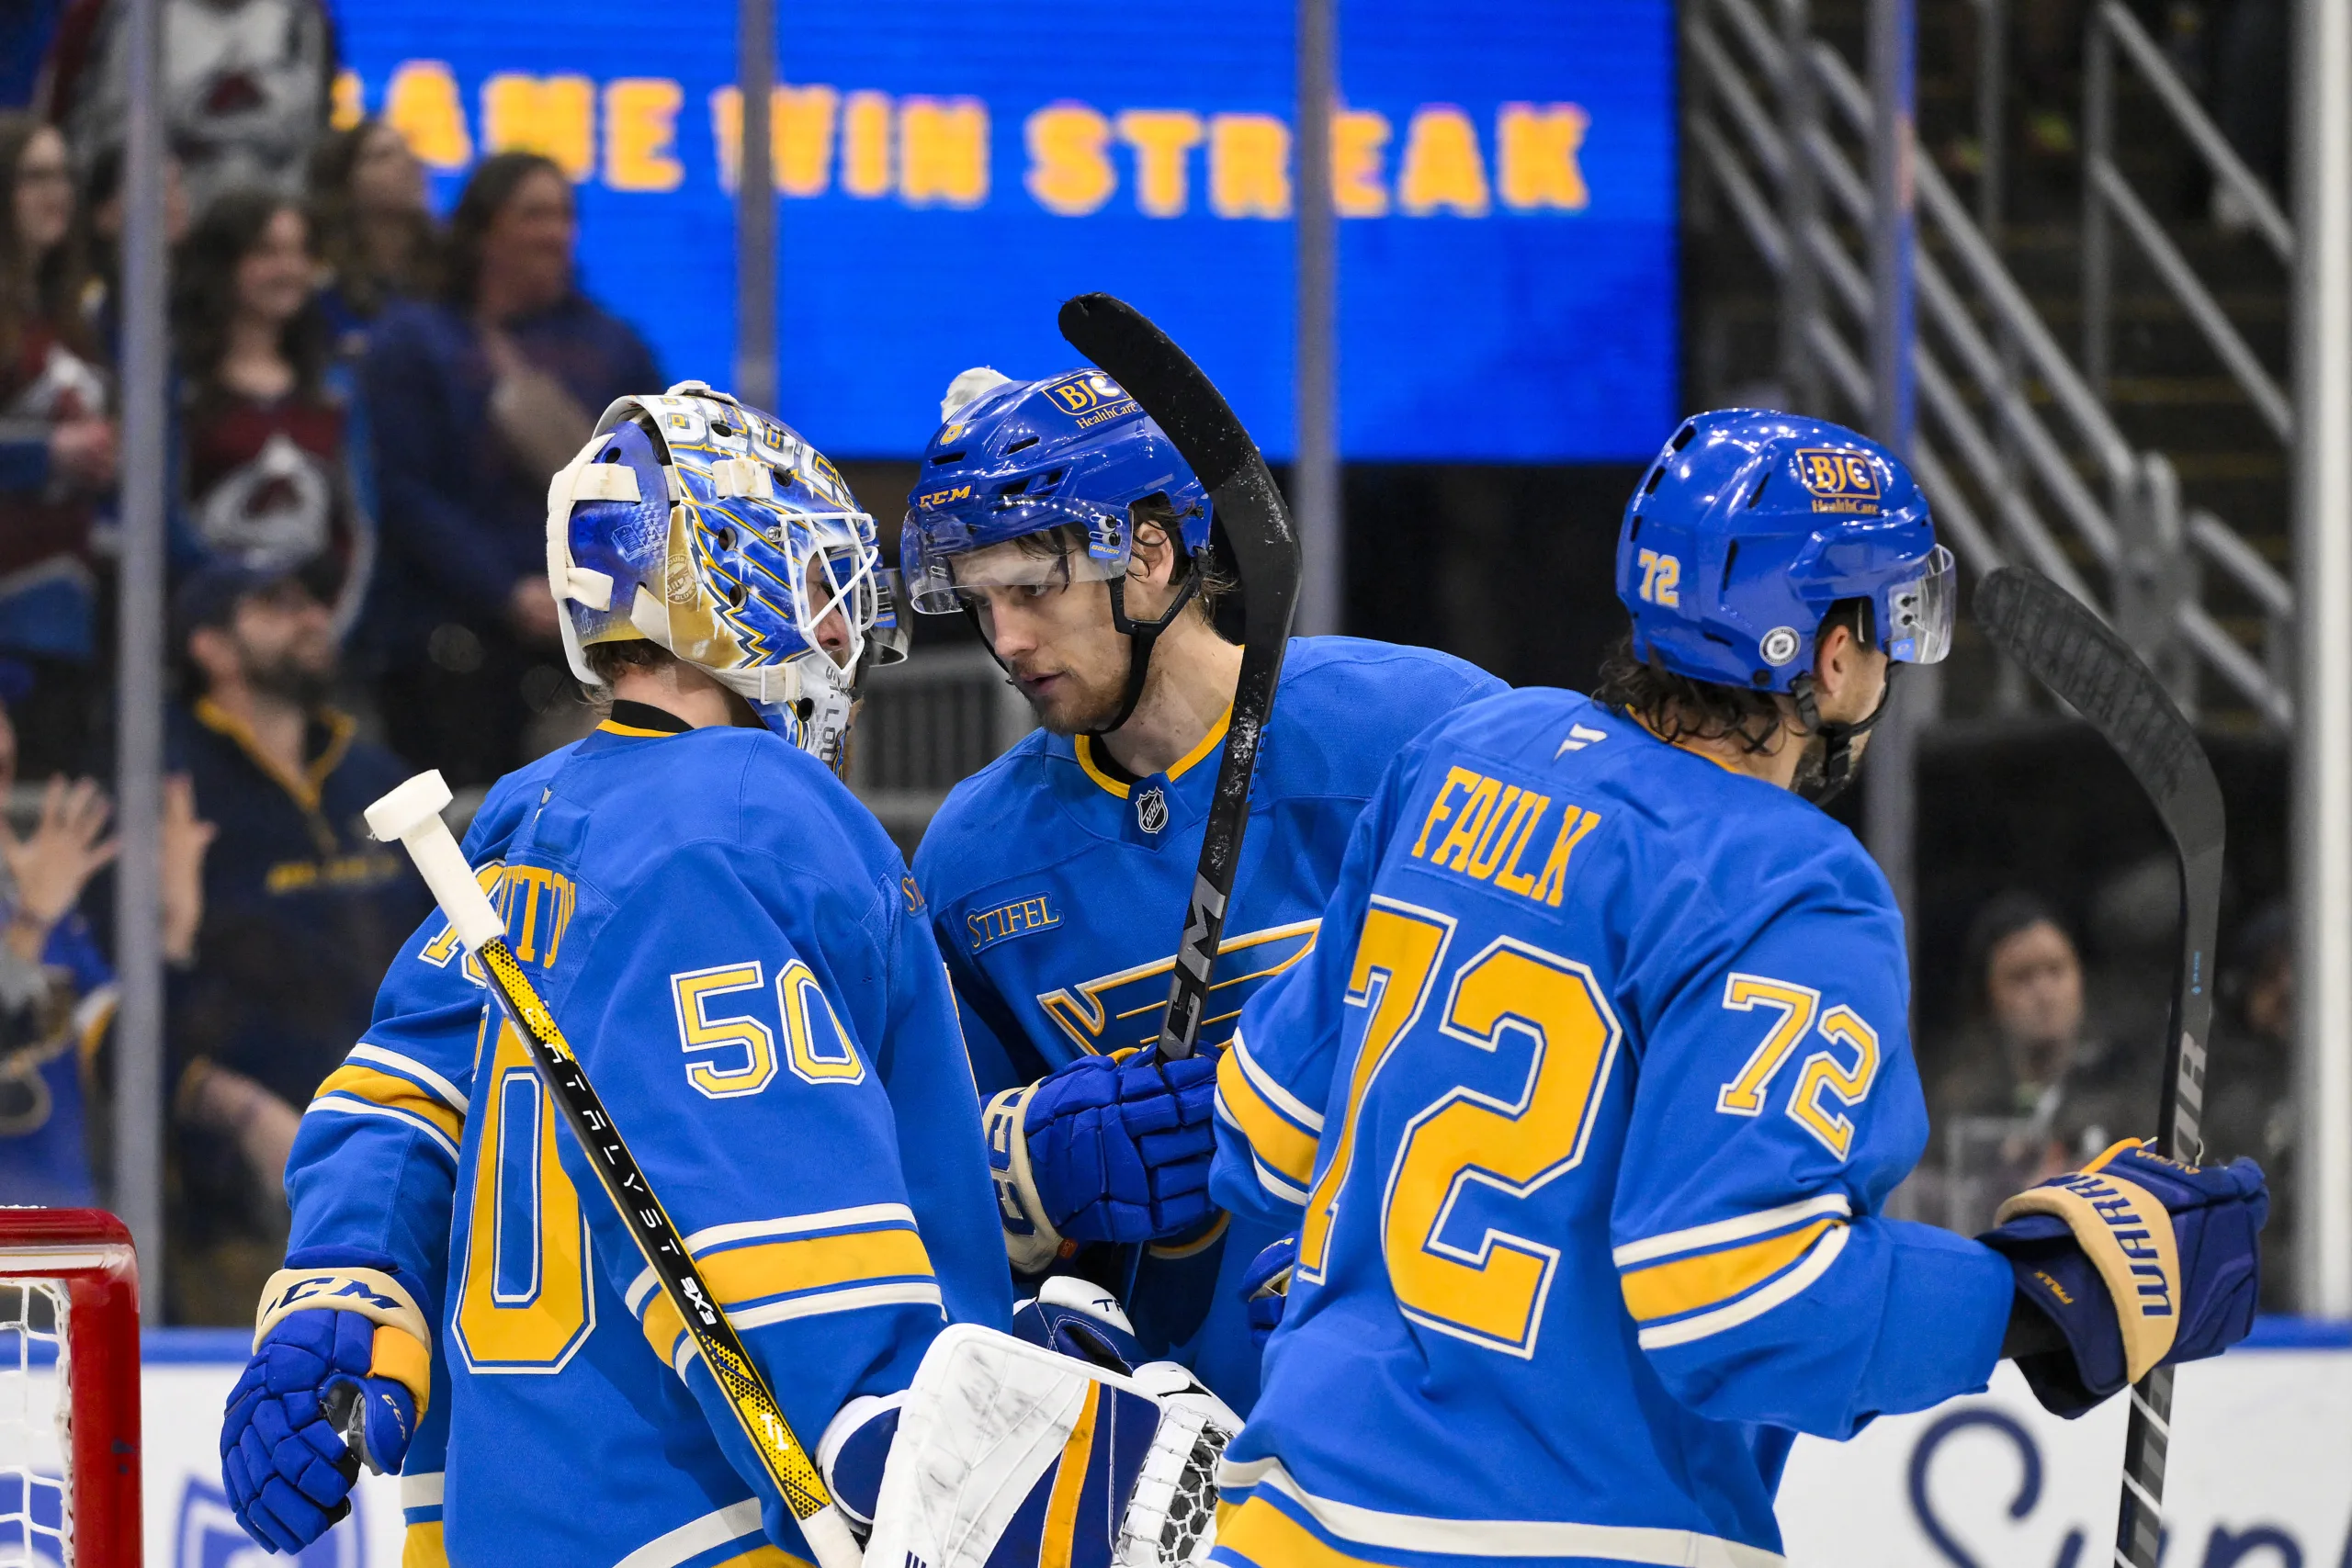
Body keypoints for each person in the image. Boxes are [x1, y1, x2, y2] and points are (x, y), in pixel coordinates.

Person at [1210, 410, 2267, 1568]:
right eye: (1890, 624)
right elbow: (1740, 1303)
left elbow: (1268, 1134)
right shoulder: (1786, 885)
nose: (1890, 665)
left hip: (1281, 1516)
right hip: (1558, 1540)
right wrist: (2042, 1301)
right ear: (1827, 654)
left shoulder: (1459, 758)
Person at [217, 385, 1015, 1562]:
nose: (840, 638)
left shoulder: (527, 815)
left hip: (508, 1513)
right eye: (818, 592)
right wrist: (912, 1456)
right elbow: (773, 1223)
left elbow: (401, 1097)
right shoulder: (752, 814)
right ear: (732, 586)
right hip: (717, 1520)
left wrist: (344, 1287)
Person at [902, 367, 1505, 1413]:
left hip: (1442, 1413)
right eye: (981, 598)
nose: (1004, 641)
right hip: (1164, 1452)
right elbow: (939, 1175)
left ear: (1149, 552)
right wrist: (1028, 1166)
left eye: (1034, 590)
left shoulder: (1424, 733)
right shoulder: (972, 857)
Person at [163, 557, 426, 1322]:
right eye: (276, 603)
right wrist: (240, 1111)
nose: (313, 615)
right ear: (210, 647)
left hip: (409, 1148)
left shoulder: (373, 769)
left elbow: (442, 954)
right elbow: (123, 1005)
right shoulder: (165, 781)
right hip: (245, 1198)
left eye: (314, 597)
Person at [361, 152, 662, 786]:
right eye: (533, 214)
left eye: (563, 214)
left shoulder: (614, 346)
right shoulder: (414, 342)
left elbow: (659, 483)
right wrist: (506, 592)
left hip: (584, 646)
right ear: (482, 229)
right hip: (448, 649)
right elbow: (405, 491)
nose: (554, 232)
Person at [0, 657, 211, 1206]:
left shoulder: (31, 895)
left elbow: (133, 1067)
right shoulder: (36, 905)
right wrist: (31, 925)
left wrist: (172, 937)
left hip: (67, 1238)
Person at [171, 188, 373, 637]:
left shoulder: (334, 392)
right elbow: (167, 521)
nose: (290, 269)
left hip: (312, 632)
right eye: (267, 252)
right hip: (206, 639)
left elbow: (357, 529)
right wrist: (231, 618)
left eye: (300, 253)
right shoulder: (178, 388)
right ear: (222, 265)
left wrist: (326, 627)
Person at [0, 112, 114, 779]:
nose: (58, 194)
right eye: (36, 177)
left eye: (64, 176)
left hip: (70, 619)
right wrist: (47, 454)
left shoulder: (77, 315)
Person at [1933, 890, 2152, 1232]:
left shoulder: (2129, 1089)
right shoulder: (1958, 1104)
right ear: (1987, 998)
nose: (2045, 994)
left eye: (2056, 970)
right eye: (2021, 977)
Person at [38, 0, 334, 214]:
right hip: (144, 256)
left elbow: (320, 142)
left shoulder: (304, 17)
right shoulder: (107, 15)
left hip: (273, 236)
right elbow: (63, 139)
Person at [305, 118, 437, 361]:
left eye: (408, 151)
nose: (409, 163)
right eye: (383, 156)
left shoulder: (450, 273)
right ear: (345, 182)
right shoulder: (319, 287)